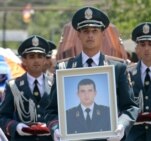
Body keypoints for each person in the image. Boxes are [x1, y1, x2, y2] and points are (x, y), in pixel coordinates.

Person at [44, 6, 139, 141]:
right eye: (86, 31)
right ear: (78, 34)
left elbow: (130, 107)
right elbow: (51, 111)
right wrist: (56, 129)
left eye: (95, 31)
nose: (90, 35)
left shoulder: (117, 68)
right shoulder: (65, 69)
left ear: (103, 34)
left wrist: (121, 125)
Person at [0, 35, 53, 141]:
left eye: (40, 56)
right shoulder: (13, 85)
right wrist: (17, 127)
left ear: (45, 60)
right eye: (32, 56)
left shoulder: (54, 84)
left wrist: (54, 127)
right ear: (24, 60)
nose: (36, 60)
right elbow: (3, 117)